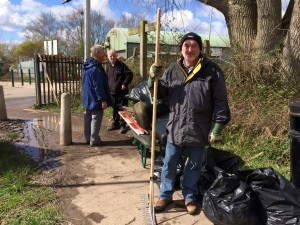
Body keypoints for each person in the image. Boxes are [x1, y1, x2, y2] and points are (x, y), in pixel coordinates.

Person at [149, 32, 231, 215]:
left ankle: (189, 196)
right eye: (186, 45)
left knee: (194, 165)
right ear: (181, 49)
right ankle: (165, 195)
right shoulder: (172, 69)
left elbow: (220, 100)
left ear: (200, 49)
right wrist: (152, 79)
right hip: (176, 126)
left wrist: (218, 126)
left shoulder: (212, 70)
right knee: (169, 162)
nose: (190, 49)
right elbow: (160, 93)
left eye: (194, 45)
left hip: (198, 127)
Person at [82, 45, 112, 147]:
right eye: (103, 52)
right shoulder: (96, 69)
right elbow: (98, 86)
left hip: (87, 97)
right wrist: (103, 100)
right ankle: (94, 140)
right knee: (95, 118)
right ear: (97, 53)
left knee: (87, 117)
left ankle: (88, 138)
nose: (104, 54)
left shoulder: (87, 66)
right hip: (95, 99)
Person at [106, 49, 133, 134]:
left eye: (113, 55)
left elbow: (130, 74)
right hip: (112, 93)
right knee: (115, 109)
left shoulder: (122, 66)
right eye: (110, 56)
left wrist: (125, 84)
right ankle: (115, 124)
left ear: (116, 56)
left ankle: (123, 125)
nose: (112, 57)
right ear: (108, 57)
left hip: (122, 93)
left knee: (123, 110)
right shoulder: (108, 67)